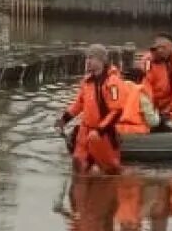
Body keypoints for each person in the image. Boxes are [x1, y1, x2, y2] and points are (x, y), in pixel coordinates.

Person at [59, 45, 153, 174]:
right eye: (87, 58)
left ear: (101, 60)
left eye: (91, 58)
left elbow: (116, 111)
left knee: (111, 170)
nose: (88, 61)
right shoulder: (87, 82)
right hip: (85, 131)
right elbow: (78, 105)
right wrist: (64, 119)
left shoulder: (113, 82)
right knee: (78, 164)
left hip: (103, 135)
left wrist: (99, 130)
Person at [137, 34, 172, 120]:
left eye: (164, 47)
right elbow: (146, 87)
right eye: (158, 47)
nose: (160, 50)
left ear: (171, 47)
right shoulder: (148, 62)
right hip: (153, 104)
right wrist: (151, 110)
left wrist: (171, 107)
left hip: (171, 103)